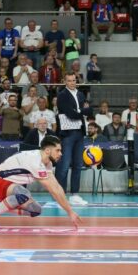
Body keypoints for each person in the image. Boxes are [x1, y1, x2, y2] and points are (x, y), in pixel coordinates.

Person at [0, 136, 82, 232]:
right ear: (48, 150)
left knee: (35, 210)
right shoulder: (36, 162)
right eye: (58, 150)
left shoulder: (47, 163)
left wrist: (70, 211)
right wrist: (70, 212)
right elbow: (53, 190)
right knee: (23, 194)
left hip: (5, 184)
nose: (61, 154)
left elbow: (57, 187)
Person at [55, 73, 92, 206]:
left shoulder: (81, 94)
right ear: (65, 82)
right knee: (64, 165)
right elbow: (70, 113)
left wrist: (80, 111)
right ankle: (60, 195)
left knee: (78, 164)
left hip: (80, 132)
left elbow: (90, 110)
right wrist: (82, 111)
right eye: (69, 81)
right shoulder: (62, 95)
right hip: (67, 133)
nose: (72, 83)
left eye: (74, 80)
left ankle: (75, 194)